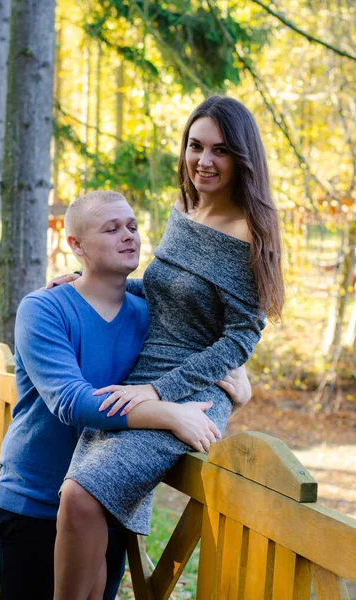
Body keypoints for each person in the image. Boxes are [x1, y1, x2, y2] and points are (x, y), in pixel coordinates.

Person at [51, 95, 285, 600]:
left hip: (190, 391)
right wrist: (84, 281)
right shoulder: (186, 209)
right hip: (145, 374)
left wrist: (161, 390)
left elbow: (243, 336)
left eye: (220, 151)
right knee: (80, 505)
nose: (203, 161)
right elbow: (164, 290)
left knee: (81, 495)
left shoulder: (250, 232)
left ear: (242, 158)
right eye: (195, 146)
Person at [0, 190, 251, 600]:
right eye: (111, 229)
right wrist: (167, 414)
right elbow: (72, 402)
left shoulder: (149, 316)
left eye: (131, 226)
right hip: (33, 507)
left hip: (105, 507)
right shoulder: (43, 309)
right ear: (76, 245)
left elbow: (203, 340)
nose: (128, 236)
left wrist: (240, 385)